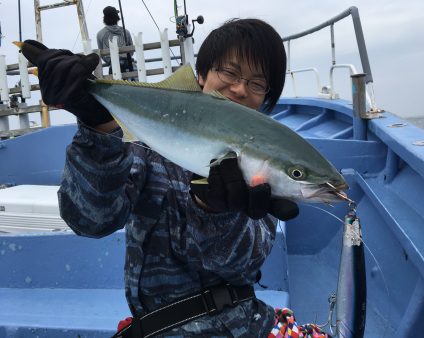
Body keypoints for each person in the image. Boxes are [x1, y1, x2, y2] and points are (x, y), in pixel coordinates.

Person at [24, 18, 304, 337]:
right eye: (229, 72)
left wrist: (216, 213)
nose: (240, 88)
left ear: (265, 97)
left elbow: (240, 267)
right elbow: (90, 220)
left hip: (244, 327)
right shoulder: (148, 148)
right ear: (201, 75)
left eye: (256, 83)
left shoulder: (260, 167)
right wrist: (98, 127)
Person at [96, 5, 134, 74]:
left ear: (104, 18)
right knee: (134, 84)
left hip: (113, 67)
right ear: (117, 17)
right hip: (129, 65)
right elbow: (131, 50)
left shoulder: (100, 34)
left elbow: (102, 53)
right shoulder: (126, 31)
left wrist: (109, 61)